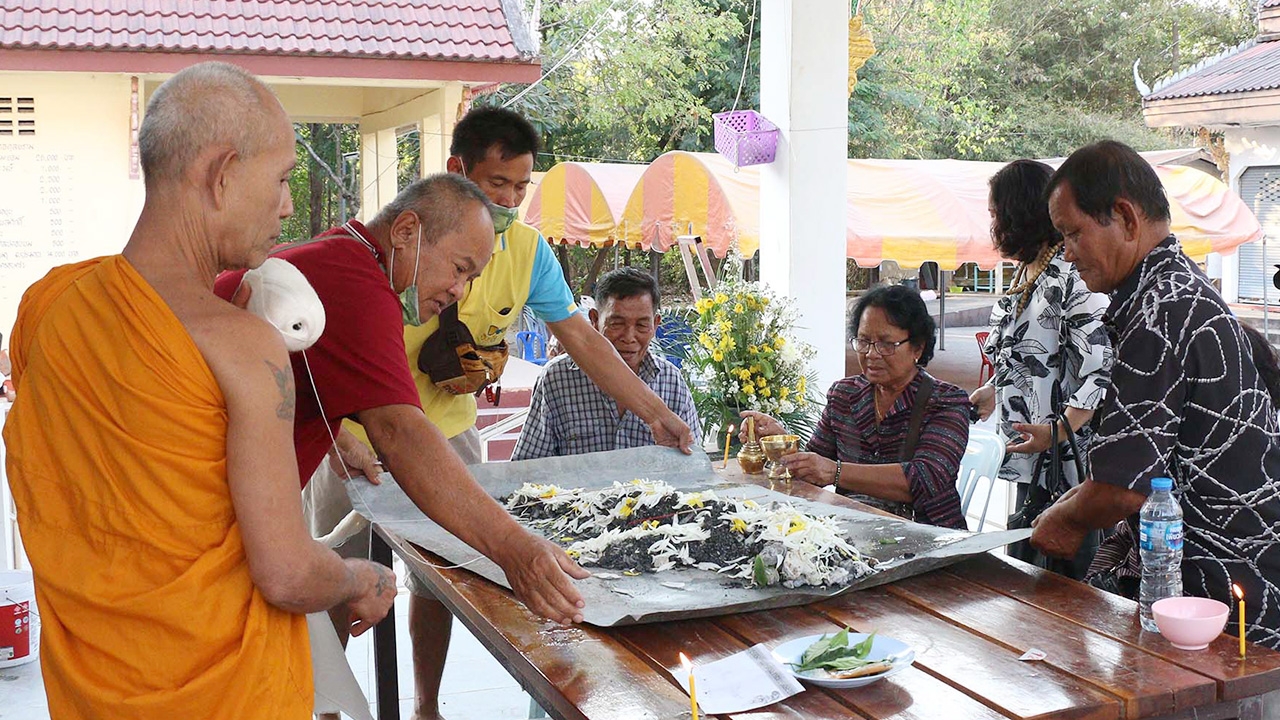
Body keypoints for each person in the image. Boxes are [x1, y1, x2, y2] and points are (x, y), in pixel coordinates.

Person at [2, 62, 396, 718]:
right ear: (221, 174)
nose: (289, 204)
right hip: (230, 699)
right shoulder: (243, 346)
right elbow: (289, 573)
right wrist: (363, 577)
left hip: (91, 697)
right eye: (278, 180)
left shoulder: (46, 307)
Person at [325, 106, 693, 720]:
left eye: (522, 188)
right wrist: (335, 428)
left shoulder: (527, 251)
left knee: (440, 577)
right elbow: (304, 359)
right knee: (336, 578)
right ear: (457, 172)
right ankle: (326, 708)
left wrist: (654, 411)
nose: (510, 201)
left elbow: (581, 337)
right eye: (498, 185)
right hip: (355, 434)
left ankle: (425, 707)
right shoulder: (383, 248)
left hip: (447, 434)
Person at [213, 174, 592, 688]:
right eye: (459, 269)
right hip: (206, 533)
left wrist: (336, 435)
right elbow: (401, 432)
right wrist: (516, 551)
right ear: (407, 230)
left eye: (472, 279)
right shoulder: (356, 283)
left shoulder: (336, 253)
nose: (458, 291)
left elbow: (297, 376)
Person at [1030, 140, 1280, 650]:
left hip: (1216, 607)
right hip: (1221, 595)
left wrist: (1064, 518)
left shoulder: (1160, 310)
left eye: (1072, 233)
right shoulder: (1176, 291)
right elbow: (1138, 462)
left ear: (1123, 216)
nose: (1067, 253)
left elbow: (1126, 487)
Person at [969, 159, 1113, 579]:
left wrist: (1055, 431)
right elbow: (1029, 354)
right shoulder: (1027, 271)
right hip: (1027, 459)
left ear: (1019, 212)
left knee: (1066, 588)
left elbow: (1099, 370)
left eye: (996, 213)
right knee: (1024, 580)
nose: (992, 223)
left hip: (1067, 468)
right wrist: (994, 389)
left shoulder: (1072, 276)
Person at [742, 285, 972, 529]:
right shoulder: (844, 395)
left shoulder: (946, 401)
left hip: (928, 536)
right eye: (863, 342)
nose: (872, 354)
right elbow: (816, 467)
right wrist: (781, 441)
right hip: (853, 528)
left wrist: (836, 472)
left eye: (886, 344)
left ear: (917, 346)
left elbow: (927, 478)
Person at [512, 266, 701, 460]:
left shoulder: (671, 381)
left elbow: (692, 462)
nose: (629, 337)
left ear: (655, 325)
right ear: (594, 320)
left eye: (642, 325)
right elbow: (528, 465)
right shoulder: (557, 378)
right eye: (616, 324)